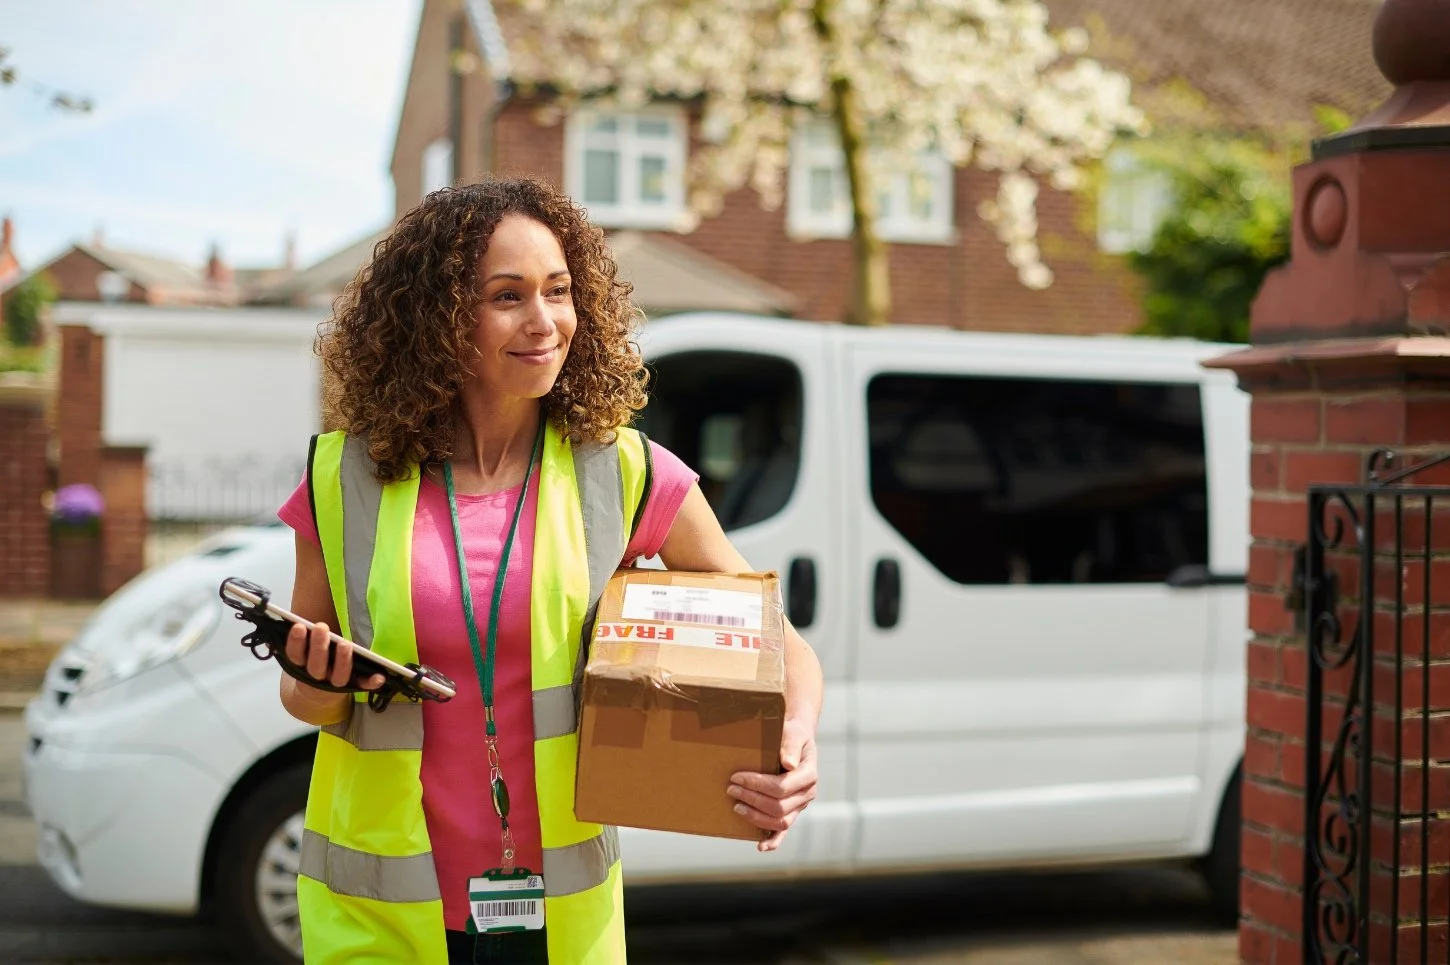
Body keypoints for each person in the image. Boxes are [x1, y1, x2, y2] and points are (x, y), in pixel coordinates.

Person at [274, 177, 823, 965]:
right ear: (438, 318)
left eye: (559, 292)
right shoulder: (341, 478)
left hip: (560, 918)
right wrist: (322, 680)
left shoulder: (626, 471)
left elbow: (784, 646)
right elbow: (306, 700)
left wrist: (796, 740)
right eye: (508, 296)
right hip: (381, 919)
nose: (545, 322)